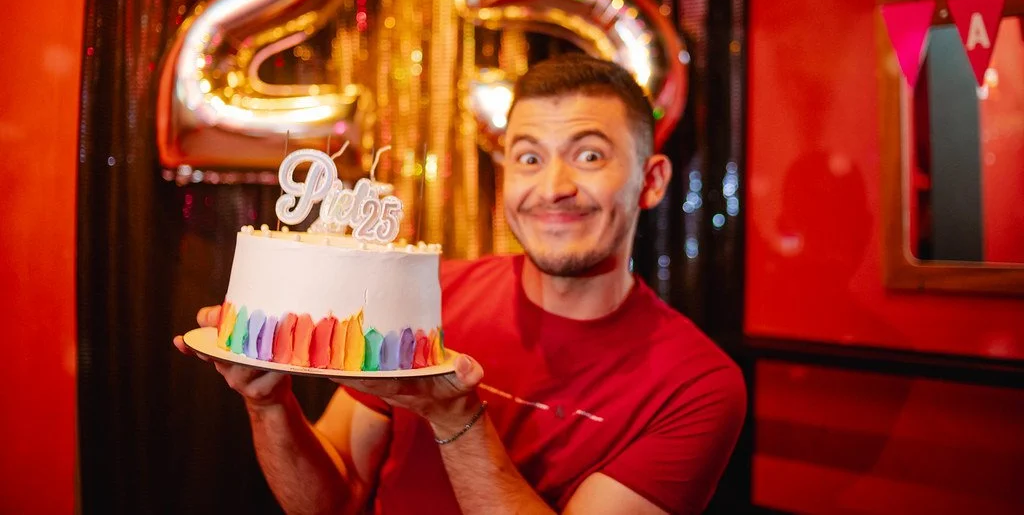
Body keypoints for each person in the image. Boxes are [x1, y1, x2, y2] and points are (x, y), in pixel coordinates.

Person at [175, 54, 746, 515]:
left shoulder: (698, 385)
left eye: (589, 155)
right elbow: (332, 500)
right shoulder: (426, 298)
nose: (553, 186)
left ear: (651, 181)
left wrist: (456, 420)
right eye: (528, 157)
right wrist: (269, 404)